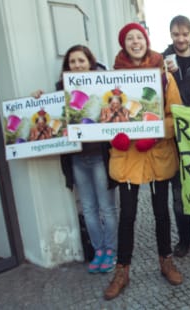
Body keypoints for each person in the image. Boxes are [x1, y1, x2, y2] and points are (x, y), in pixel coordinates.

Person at [103, 22, 183, 300]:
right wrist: (116, 137)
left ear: (146, 41)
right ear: (123, 44)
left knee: (162, 213)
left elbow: (176, 114)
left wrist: (157, 132)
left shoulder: (164, 75)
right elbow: (104, 117)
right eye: (129, 38)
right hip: (127, 158)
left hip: (157, 154)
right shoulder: (112, 78)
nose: (135, 42)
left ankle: (166, 260)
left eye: (139, 37)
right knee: (127, 216)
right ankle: (122, 270)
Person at [32, 45, 118, 274]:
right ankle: (99, 251)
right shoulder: (61, 90)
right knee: (88, 208)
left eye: (81, 61)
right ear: (67, 66)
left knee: (107, 208)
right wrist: (38, 100)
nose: (77, 65)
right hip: (77, 159)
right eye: (72, 62)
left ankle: (111, 251)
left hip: (100, 157)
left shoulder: (104, 85)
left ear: (90, 62)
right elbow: (48, 117)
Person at [161, 15, 190, 259]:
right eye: (176, 34)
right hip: (175, 137)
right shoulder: (162, 60)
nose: (180, 39)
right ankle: (184, 239)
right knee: (179, 193)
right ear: (171, 35)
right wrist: (164, 77)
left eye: (184, 34)